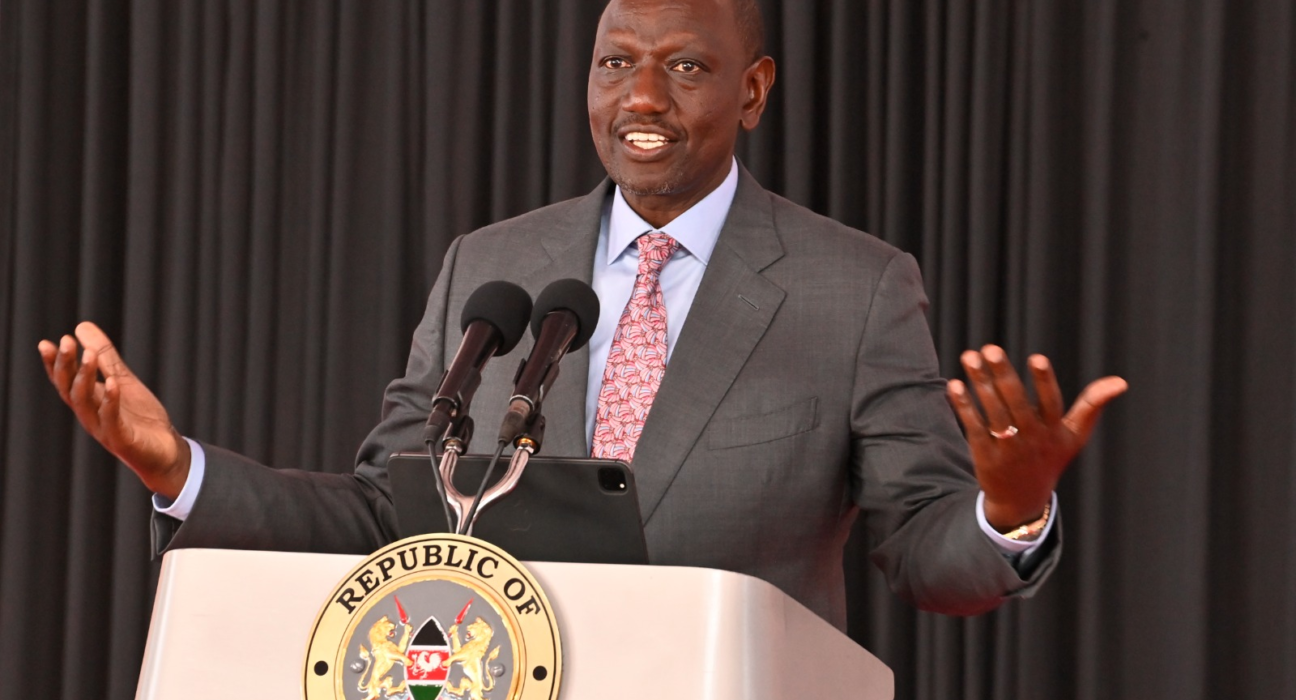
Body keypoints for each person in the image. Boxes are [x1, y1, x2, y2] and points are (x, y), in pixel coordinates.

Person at [38, 0, 1126, 630]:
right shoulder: (493, 266)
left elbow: (926, 553)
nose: (642, 98)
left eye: (685, 67)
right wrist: (177, 467)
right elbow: (389, 518)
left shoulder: (858, 287)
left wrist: (1008, 509)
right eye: (616, 64)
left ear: (752, 91)